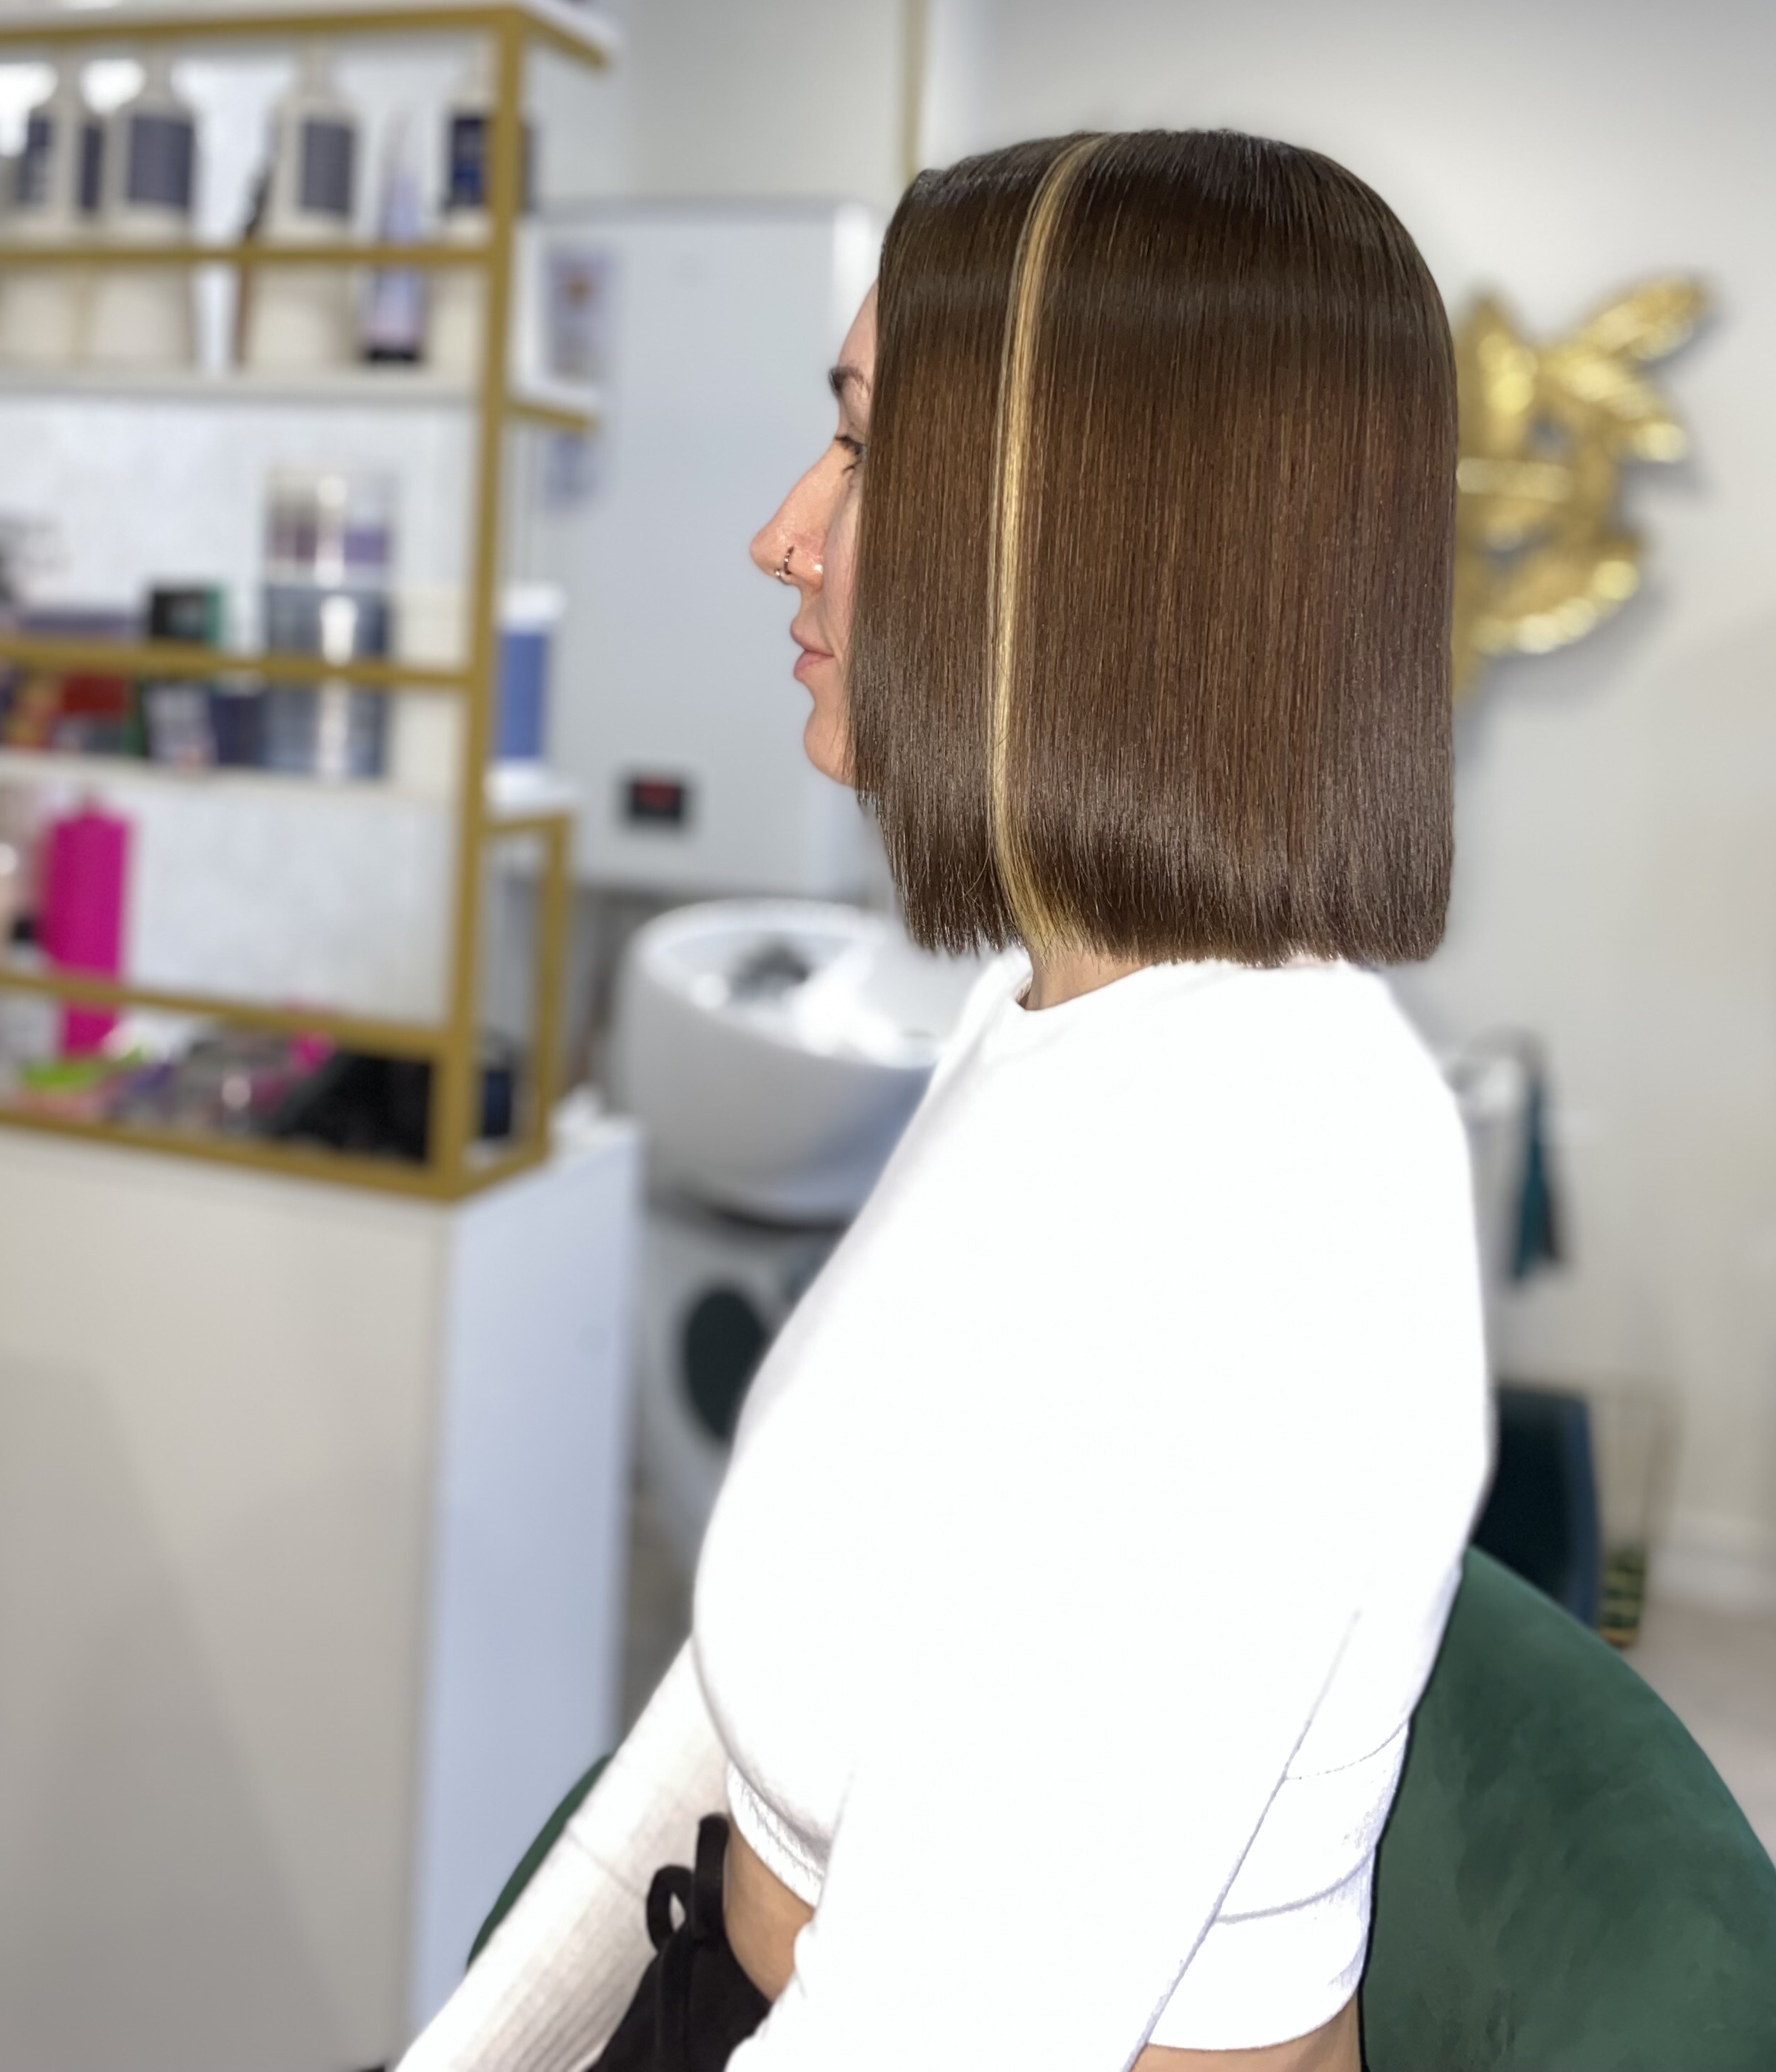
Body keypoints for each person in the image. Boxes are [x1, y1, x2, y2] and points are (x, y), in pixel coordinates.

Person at [401, 128, 1490, 2072]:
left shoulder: (1263, 1195)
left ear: (1091, 537)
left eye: (862, 447)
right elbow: (728, 1738)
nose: (783, 533)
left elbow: (932, 2034)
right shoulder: (1048, 1016)